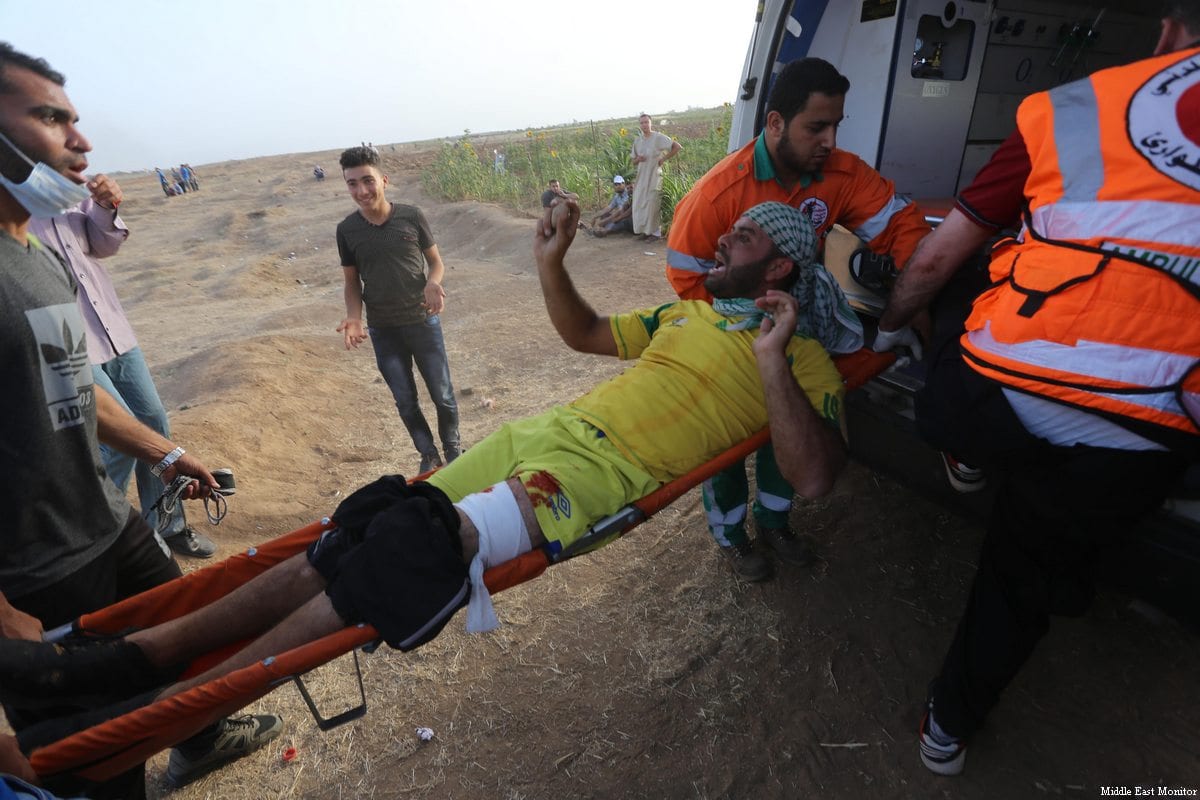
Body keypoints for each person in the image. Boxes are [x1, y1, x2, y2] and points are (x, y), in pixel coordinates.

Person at [0, 201, 853, 758]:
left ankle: (164, 706)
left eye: (740, 238)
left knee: (405, 554)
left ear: (777, 268)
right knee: (360, 524)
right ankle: (133, 657)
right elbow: (587, 332)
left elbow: (814, 479)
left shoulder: (806, 363)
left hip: (597, 476)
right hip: (540, 435)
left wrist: (773, 360)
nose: (717, 241)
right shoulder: (687, 310)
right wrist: (552, 261)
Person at [870, 2, 1200, 776]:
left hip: (998, 398)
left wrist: (889, 331)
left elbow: (934, 260)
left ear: (1164, 35)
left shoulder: (1080, 108)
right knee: (1021, 575)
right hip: (1149, 429)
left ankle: (967, 456)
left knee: (963, 283)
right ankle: (945, 730)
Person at [0, 42, 282, 796]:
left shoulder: (35, 254)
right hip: (36, 577)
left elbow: (77, 389)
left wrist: (165, 452)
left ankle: (199, 744)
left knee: (187, 655)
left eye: (77, 120)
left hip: (109, 523)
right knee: (101, 762)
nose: (81, 141)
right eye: (52, 118)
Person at [666, 57, 931, 581]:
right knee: (725, 446)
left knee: (792, 431)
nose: (829, 140)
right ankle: (731, 537)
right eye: (817, 127)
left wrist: (910, 297)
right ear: (775, 124)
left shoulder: (841, 175)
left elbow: (903, 225)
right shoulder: (717, 196)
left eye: (836, 126)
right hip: (731, 339)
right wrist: (749, 339)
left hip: (798, 334)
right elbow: (689, 283)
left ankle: (775, 522)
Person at [28, 176, 218, 559]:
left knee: (153, 420)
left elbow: (101, 245)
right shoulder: (12, 204)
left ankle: (168, 525)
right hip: (64, 337)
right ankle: (106, 541)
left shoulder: (64, 185)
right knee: (117, 445)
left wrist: (105, 206)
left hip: (110, 327)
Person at [335, 145, 462, 474]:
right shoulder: (347, 231)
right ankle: (428, 454)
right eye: (352, 183)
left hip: (422, 321)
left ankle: (452, 449)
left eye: (367, 180)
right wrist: (353, 316)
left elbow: (435, 262)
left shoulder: (411, 215)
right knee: (405, 400)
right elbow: (352, 282)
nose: (361, 191)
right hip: (384, 329)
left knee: (443, 394)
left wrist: (433, 283)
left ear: (384, 180)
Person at [629, 113, 681, 240]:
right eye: (642, 123)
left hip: (654, 176)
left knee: (653, 203)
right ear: (639, 125)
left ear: (651, 123)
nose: (644, 125)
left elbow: (677, 147)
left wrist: (663, 159)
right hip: (642, 177)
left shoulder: (658, 138)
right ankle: (645, 231)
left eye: (646, 122)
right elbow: (633, 161)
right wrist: (638, 159)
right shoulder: (638, 140)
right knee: (640, 203)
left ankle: (656, 233)